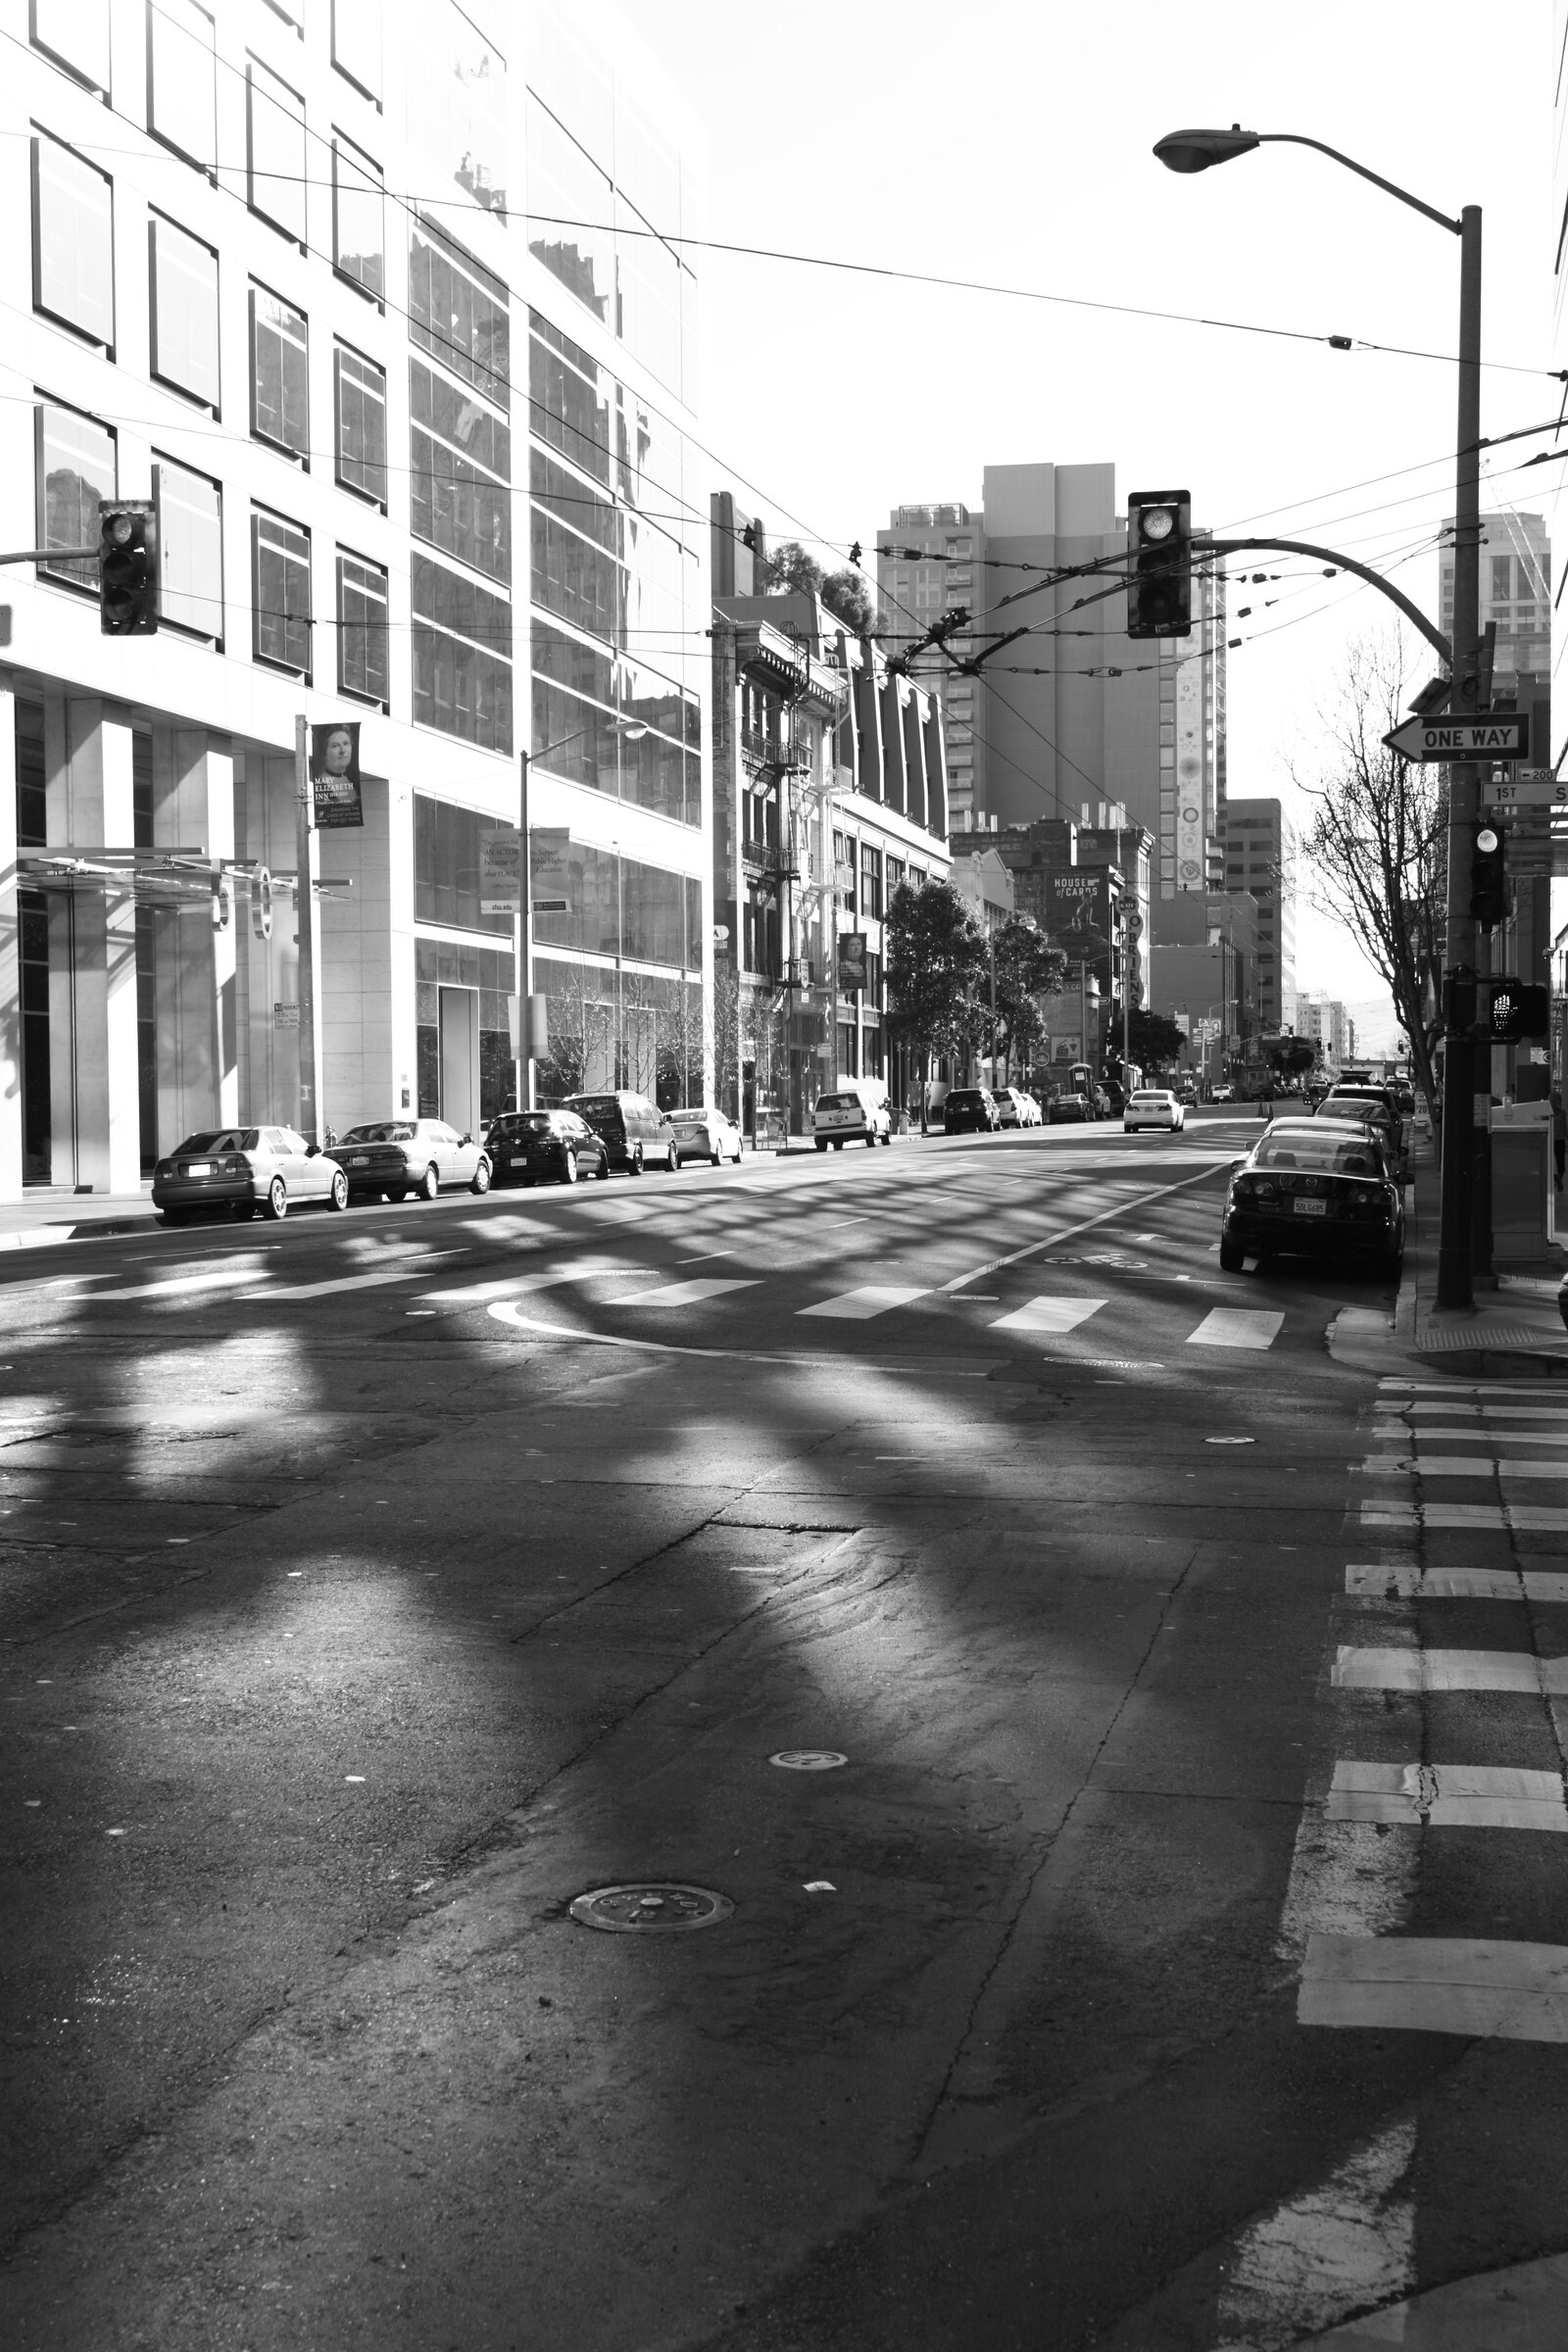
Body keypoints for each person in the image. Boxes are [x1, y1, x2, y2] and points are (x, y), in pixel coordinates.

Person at [1552, 1086, 1566, 1193]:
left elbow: (1565, 1127)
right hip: (1549, 1140)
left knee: (1561, 1166)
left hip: (1560, 1140)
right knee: (1549, 1164)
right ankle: (1557, 1181)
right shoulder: (1547, 1113)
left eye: (1555, 1099)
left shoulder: (1563, 1112)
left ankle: (1558, 1179)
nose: (1553, 1101)